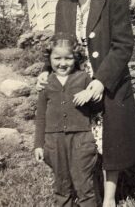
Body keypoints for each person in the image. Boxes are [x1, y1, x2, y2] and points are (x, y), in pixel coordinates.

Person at [37, 0, 135, 207]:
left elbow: (123, 46)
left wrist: (101, 80)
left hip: (108, 80)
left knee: (110, 139)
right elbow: (59, 43)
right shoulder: (64, 4)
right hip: (76, 83)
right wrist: (45, 70)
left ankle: (108, 198)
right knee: (83, 138)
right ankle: (82, 185)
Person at [34, 33, 99, 207]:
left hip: (81, 139)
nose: (62, 63)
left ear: (75, 57)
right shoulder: (46, 82)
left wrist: (91, 95)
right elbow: (40, 115)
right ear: (49, 59)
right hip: (54, 142)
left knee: (84, 184)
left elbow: (96, 110)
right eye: (57, 58)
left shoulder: (83, 78)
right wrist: (39, 144)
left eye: (68, 58)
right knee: (62, 186)